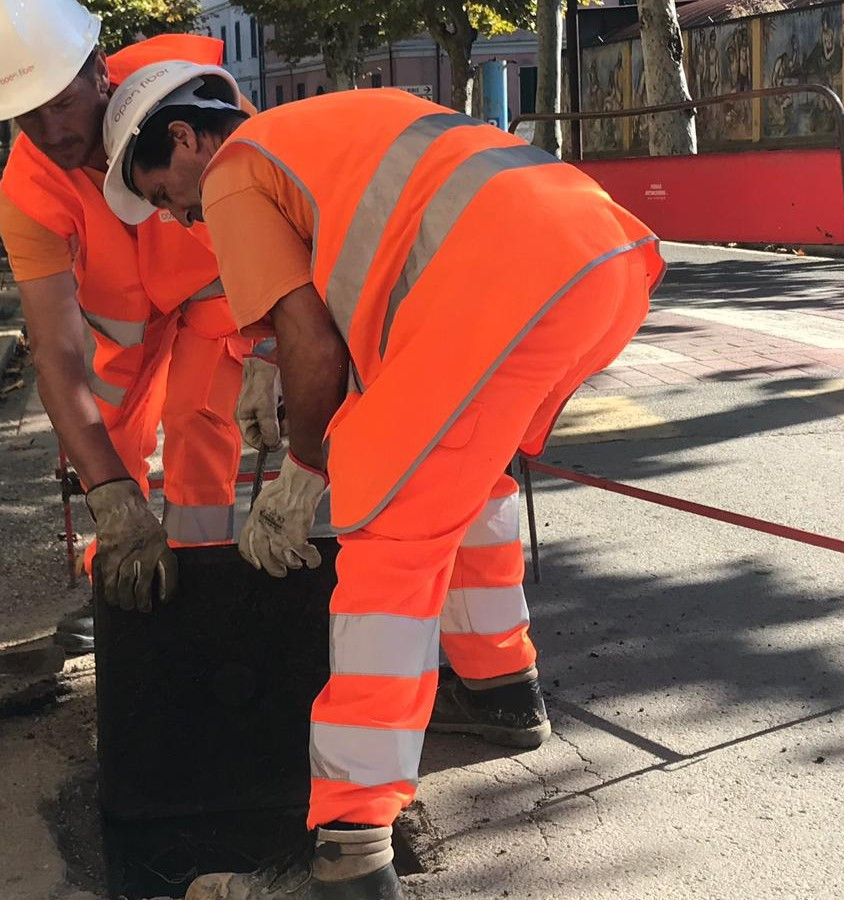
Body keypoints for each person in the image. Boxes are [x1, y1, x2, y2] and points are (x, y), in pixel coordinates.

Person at [100, 63, 664, 899]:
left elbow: (319, 351)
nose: (179, 219)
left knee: (387, 527)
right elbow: (358, 297)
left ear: (184, 139)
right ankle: (499, 685)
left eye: (163, 195)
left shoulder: (232, 171)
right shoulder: (320, 128)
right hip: (602, 259)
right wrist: (270, 366)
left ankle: (350, 849)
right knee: (465, 478)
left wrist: (301, 473)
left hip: (503, 282)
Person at [0, 0, 281, 645]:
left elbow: (275, 239)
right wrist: (111, 497)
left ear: (99, 71)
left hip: (210, 300)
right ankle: (121, 578)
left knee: (199, 417)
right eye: (27, 115)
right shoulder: (28, 194)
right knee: (105, 434)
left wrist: (270, 351)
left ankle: (197, 580)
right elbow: (55, 353)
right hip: (127, 329)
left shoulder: (192, 107)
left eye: (60, 102)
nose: (50, 130)